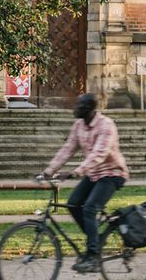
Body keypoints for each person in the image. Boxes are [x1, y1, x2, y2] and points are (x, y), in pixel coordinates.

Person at [39, 93, 129, 268]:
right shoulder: (79, 125)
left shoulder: (106, 125)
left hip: (112, 174)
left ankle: (93, 256)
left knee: (89, 208)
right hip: (93, 173)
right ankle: (95, 238)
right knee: (73, 204)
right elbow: (68, 149)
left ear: (90, 109)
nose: (75, 108)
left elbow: (99, 154)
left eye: (79, 106)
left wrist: (77, 171)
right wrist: (49, 170)